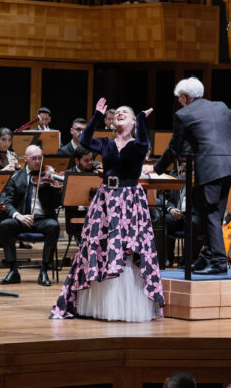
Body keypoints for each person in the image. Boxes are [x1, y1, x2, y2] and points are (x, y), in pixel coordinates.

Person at [50, 98, 164, 321]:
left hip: (130, 199)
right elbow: (84, 140)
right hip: (106, 198)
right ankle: (101, 303)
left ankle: (126, 303)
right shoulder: (106, 144)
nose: (120, 113)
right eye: (118, 112)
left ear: (132, 120)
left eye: (126, 112)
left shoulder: (139, 144)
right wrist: (96, 117)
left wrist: (141, 120)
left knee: (128, 247)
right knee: (100, 246)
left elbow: (142, 144)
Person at [146, 77, 231, 275]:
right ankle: (207, 257)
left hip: (209, 170)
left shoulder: (184, 114)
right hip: (230, 168)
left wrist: (155, 168)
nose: (180, 102)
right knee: (208, 213)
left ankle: (217, 262)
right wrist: (223, 155)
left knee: (210, 215)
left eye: (180, 99)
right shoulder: (222, 107)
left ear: (185, 97)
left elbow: (174, 148)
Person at [0, 145, 62, 286]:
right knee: (5, 225)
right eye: (34, 159)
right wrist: (18, 215)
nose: (38, 161)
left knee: (54, 226)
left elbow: (57, 203)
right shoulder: (15, 178)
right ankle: (13, 270)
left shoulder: (48, 176)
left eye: (40, 158)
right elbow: (6, 202)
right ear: (25, 159)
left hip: (42, 219)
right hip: (23, 219)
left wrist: (55, 188)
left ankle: (44, 270)